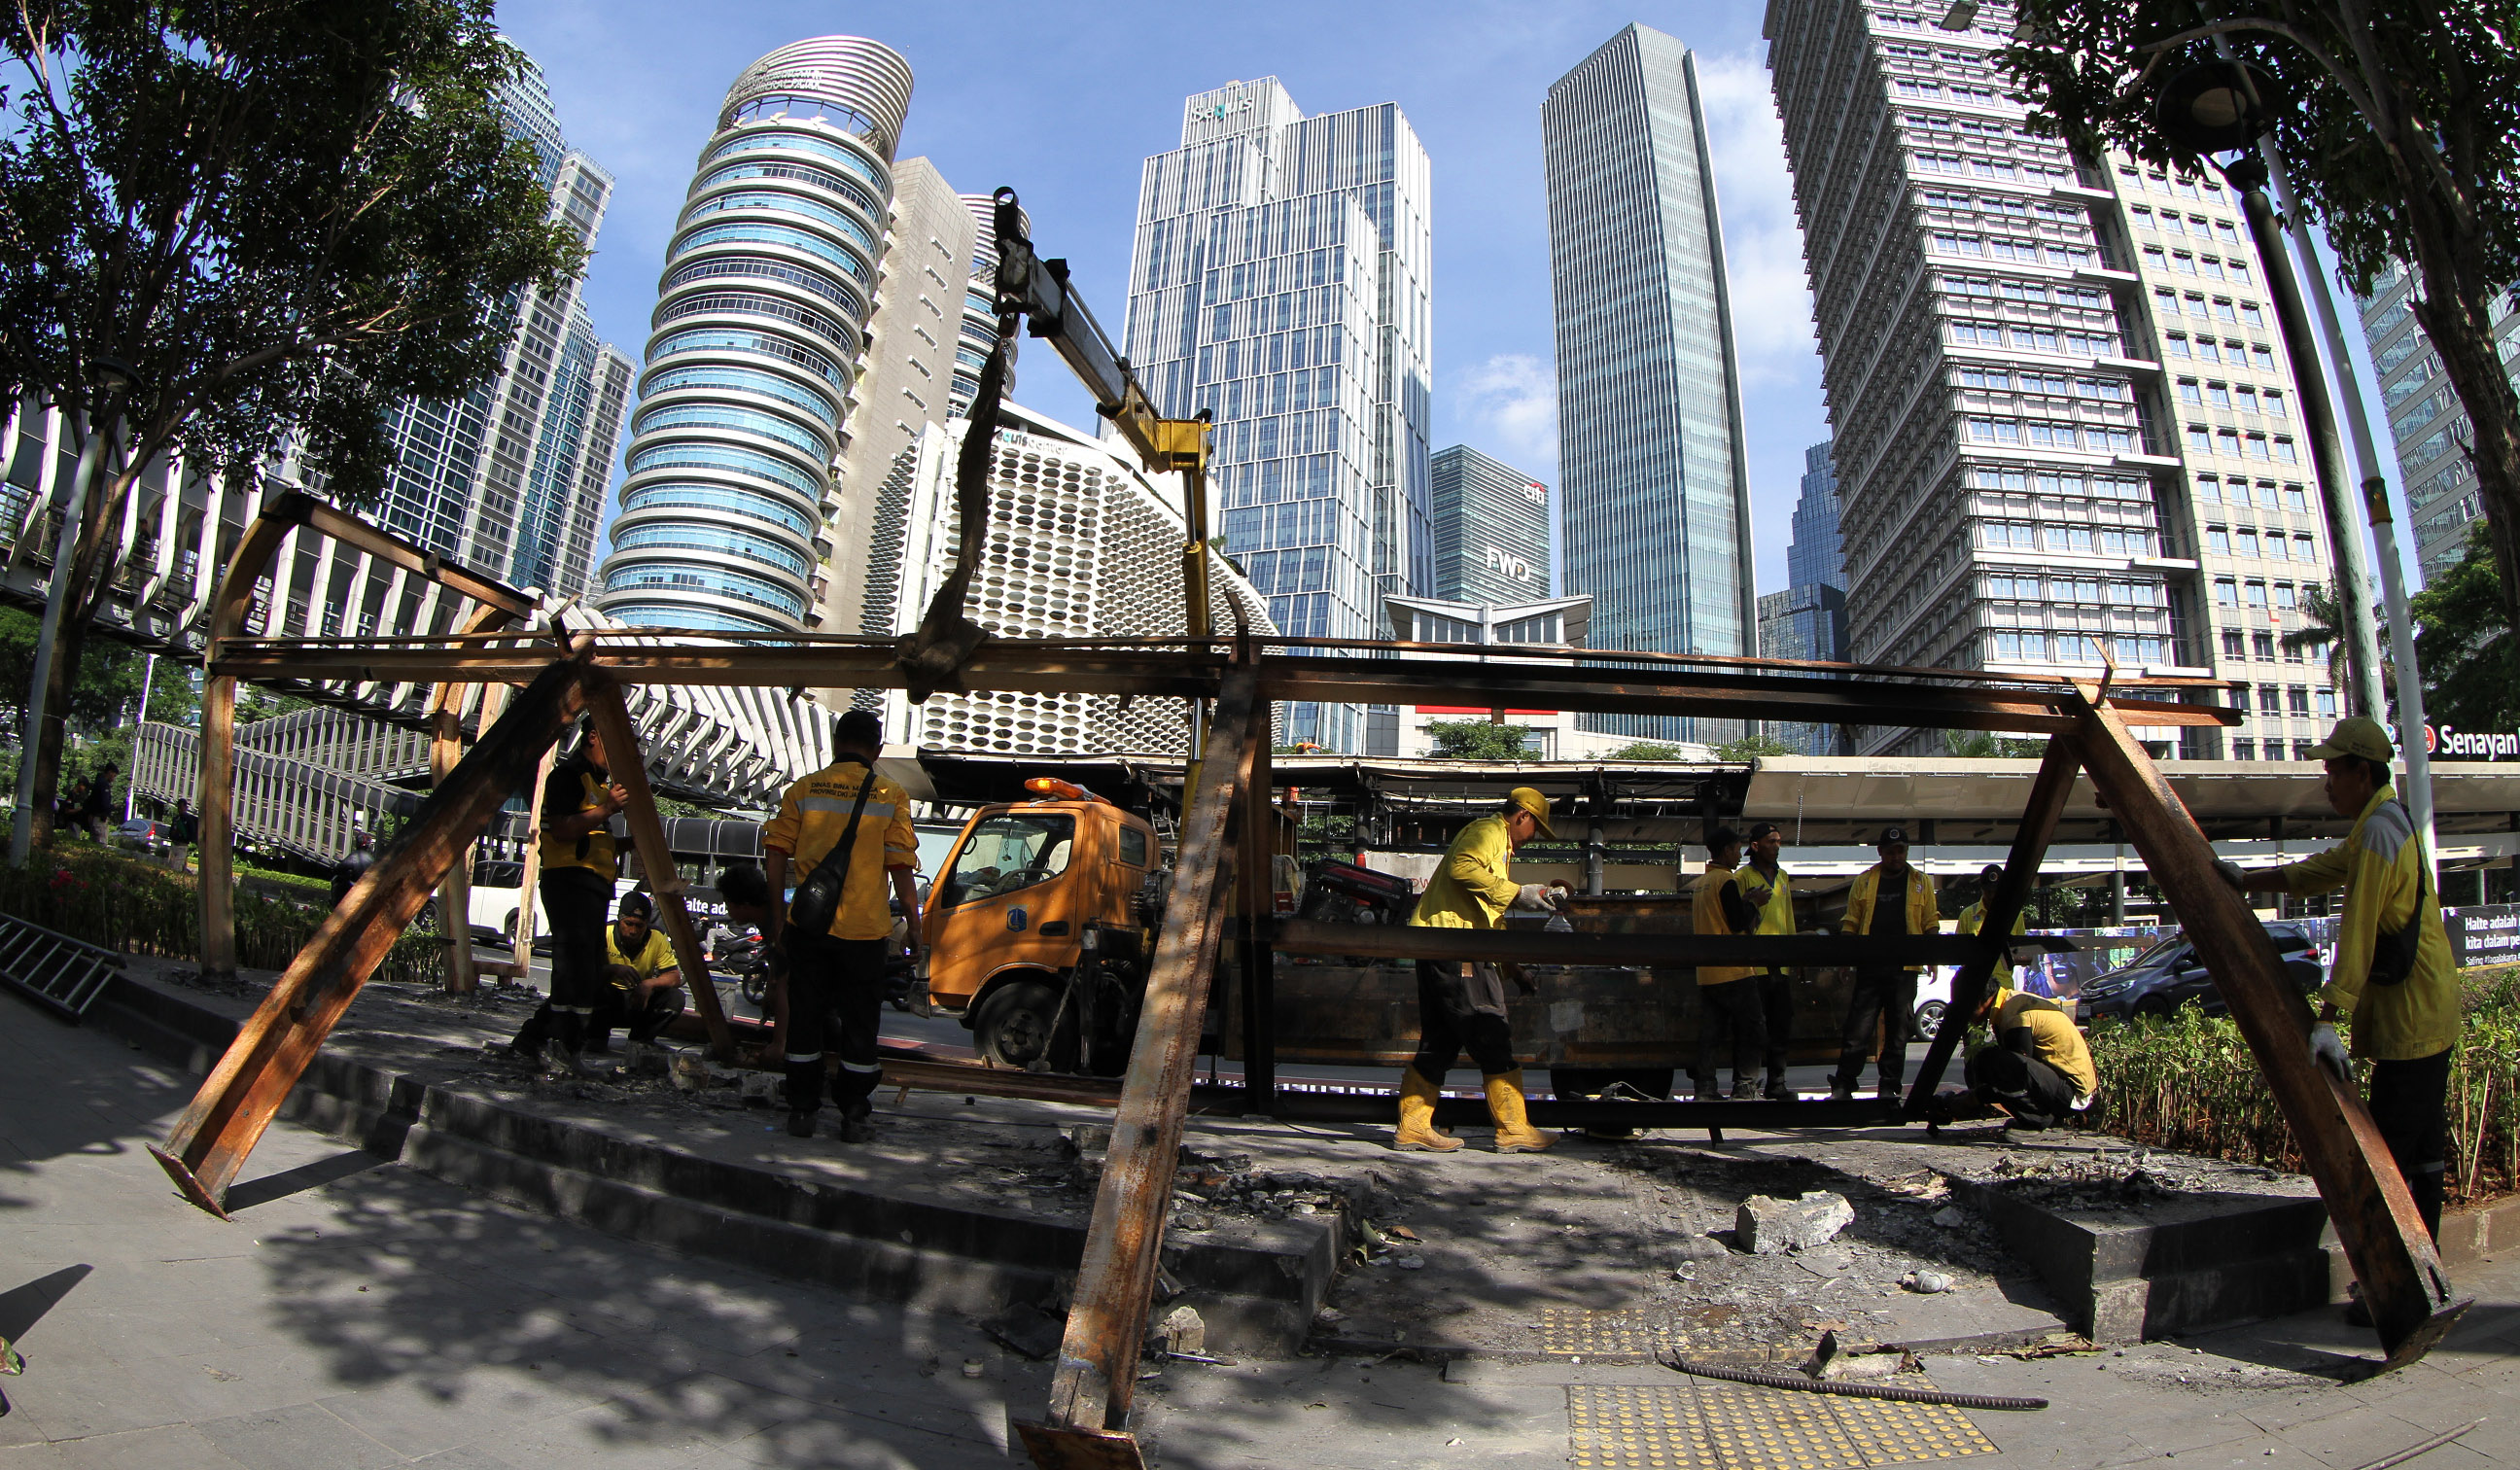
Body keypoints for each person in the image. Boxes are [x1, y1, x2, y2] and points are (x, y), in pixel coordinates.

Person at [2229, 717, 2458, 1244]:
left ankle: (2397, 1285)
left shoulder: (2379, 831)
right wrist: (2250, 880)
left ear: (2363, 772)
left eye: (2333, 770)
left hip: (2414, 1020)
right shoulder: (2382, 820)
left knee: (2389, 1161)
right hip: (2428, 1013)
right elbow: (2323, 869)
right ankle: (2430, 1260)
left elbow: (2356, 933)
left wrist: (2329, 1017)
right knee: (2422, 1153)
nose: (2327, 781)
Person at [763, 710, 921, 1142]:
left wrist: (778, 918)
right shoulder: (891, 793)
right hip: (865, 933)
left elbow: (775, 853)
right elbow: (901, 865)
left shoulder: (803, 789)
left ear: (836, 743)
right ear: (877, 748)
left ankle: (802, 1111)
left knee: (805, 1018)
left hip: (809, 929)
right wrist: (914, 923)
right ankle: (853, 1114)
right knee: (860, 1023)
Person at [1393, 786, 1561, 1154]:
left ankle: (1414, 1126)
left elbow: (1488, 919)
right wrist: (1520, 893)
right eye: (1535, 830)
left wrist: (1513, 969)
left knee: (1440, 1040)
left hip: (1445, 944)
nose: (1532, 840)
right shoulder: (1488, 832)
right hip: (1456, 946)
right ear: (1523, 817)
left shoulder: (1498, 848)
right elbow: (1461, 868)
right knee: (1490, 1026)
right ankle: (1513, 1128)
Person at [510, 718, 630, 1076]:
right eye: (616, 743)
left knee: (588, 972)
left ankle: (539, 1040)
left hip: (592, 885)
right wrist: (606, 809)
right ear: (593, 737)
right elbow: (562, 829)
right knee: (573, 971)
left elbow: (593, 837)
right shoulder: (569, 776)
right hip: (569, 882)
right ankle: (559, 1045)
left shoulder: (599, 783)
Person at [1832, 825, 1939, 1107]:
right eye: (1890, 852)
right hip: (1870, 967)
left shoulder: (1920, 881)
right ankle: (1844, 1084)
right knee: (1858, 1029)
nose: (1895, 857)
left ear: (1906, 851)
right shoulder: (1865, 882)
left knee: (1898, 1032)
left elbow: (1930, 923)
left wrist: (1932, 955)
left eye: (1900, 851)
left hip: (1904, 970)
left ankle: (1889, 1087)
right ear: (1881, 852)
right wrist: (1846, 959)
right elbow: (1851, 922)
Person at [512, 891, 689, 1056]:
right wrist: (612, 970)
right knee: (589, 990)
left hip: (637, 1001)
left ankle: (641, 1039)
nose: (633, 931)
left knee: (675, 998)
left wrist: (649, 984)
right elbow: (583, 975)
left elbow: (674, 976)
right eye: (629, 924)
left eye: (639, 926)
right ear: (620, 920)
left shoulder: (657, 938)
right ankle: (595, 1035)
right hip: (608, 1001)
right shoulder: (604, 934)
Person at [1690, 828, 1768, 1101]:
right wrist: (1754, 904)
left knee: (1710, 1034)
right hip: (1733, 970)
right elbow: (1736, 924)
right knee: (1750, 1028)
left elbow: (1720, 917)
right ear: (1725, 851)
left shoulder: (1702, 883)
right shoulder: (1726, 880)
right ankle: (1745, 1087)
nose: (1738, 855)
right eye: (1736, 850)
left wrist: (1742, 902)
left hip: (1707, 972)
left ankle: (1705, 1088)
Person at [1958, 983, 2095, 1130]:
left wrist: (1974, 1099)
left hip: (2071, 1094)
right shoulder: (2010, 1002)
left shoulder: (2015, 1013)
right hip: (2061, 1085)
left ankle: (2036, 1120)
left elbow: (2015, 1075)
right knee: (1988, 1062)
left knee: (1991, 1060)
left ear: (1978, 1001)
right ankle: (2038, 1116)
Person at [1740, 822, 1799, 1102]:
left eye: (1778, 842)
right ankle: (1746, 1086)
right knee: (1753, 1028)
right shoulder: (1743, 877)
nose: (1776, 847)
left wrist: (1792, 955)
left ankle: (1777, 1083)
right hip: (1755, 966)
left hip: (1780, 964)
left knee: (1781, 1026)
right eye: (1771, 842)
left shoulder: (1783, 877)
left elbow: (1788, 920)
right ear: (1756, 846)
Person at [331, 830, 377, 906]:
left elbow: (339, 868)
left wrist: (336, 867)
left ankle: (335, 905)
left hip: (354, 887)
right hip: (368, 888)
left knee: (336, 880)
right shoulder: (372, 859)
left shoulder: (354, 857)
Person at [167, 798, 197, 873]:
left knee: (177, 867)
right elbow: (171, 831)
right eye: (178, 807)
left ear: (185, 807)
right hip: (174, 844)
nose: (179, 809)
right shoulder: (176, 819)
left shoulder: (189, 819)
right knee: (171, 866)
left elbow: (192, 832)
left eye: (181, 807)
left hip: (182, 845)